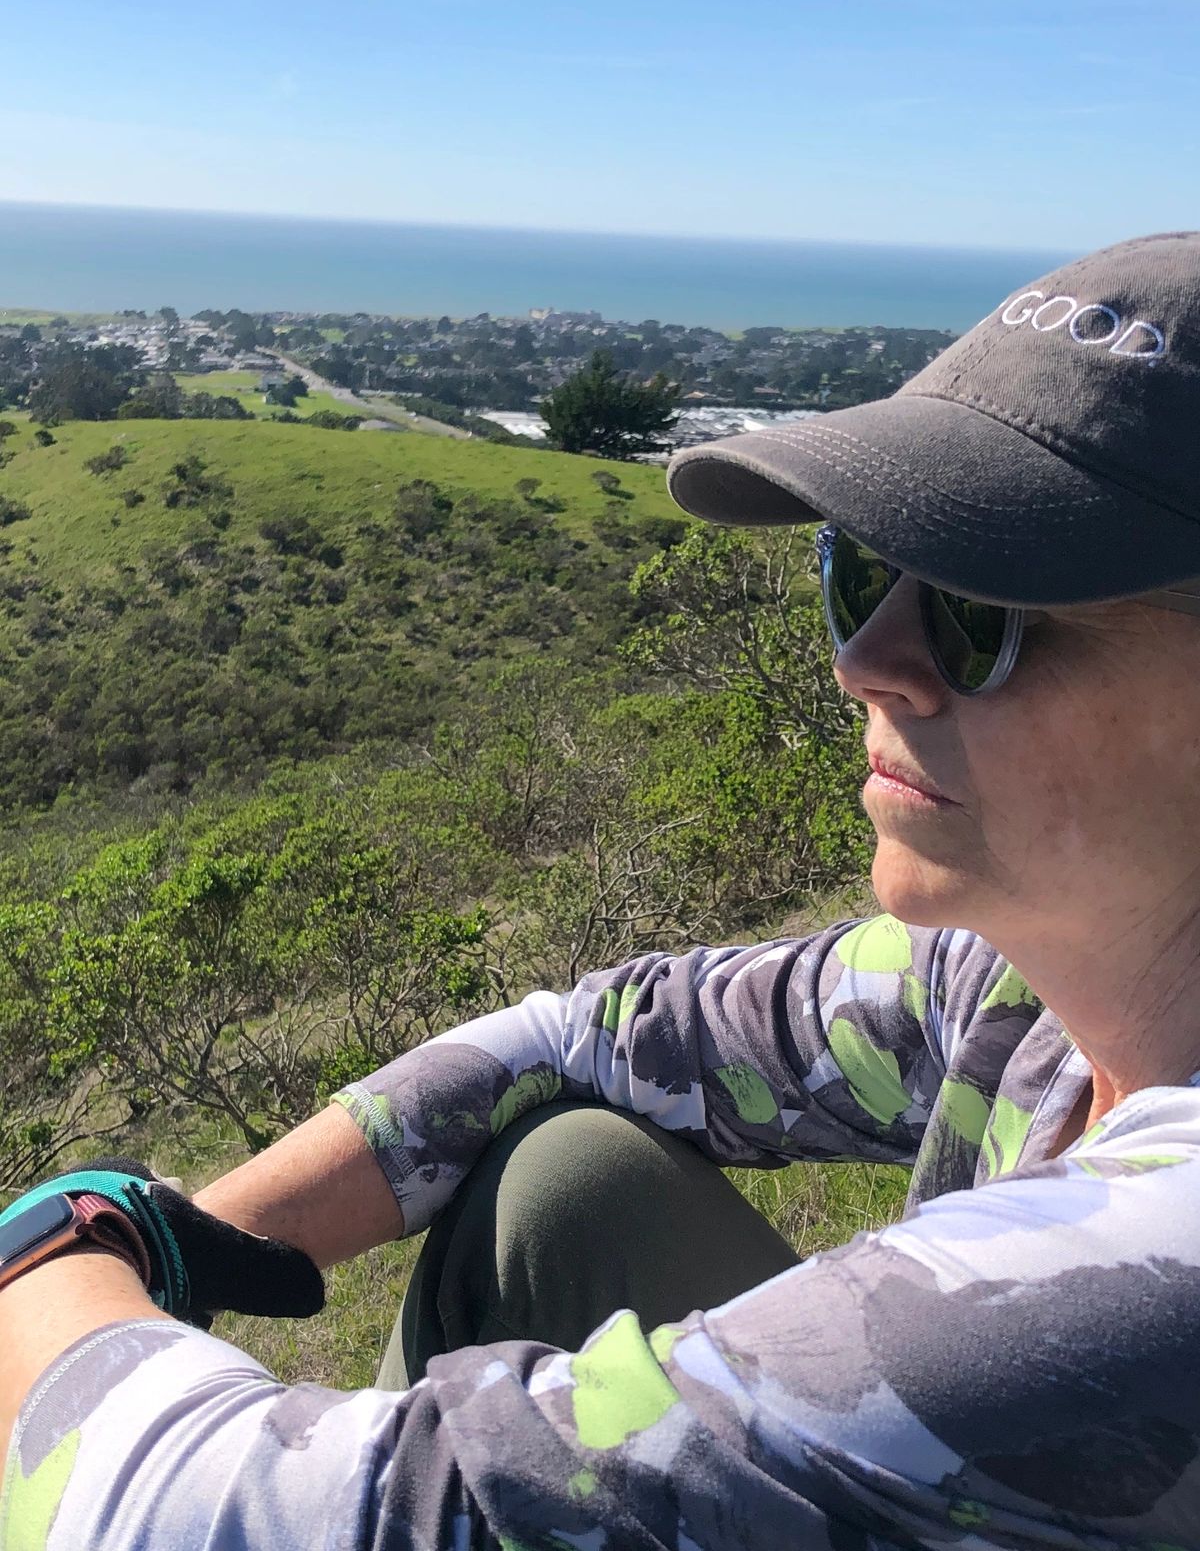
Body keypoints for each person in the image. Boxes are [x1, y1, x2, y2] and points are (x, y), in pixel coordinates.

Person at [4, 230, 1200, 1550]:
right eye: (864, 571)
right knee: (565, 1173)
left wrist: (49, 1262)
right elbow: (614, 1033)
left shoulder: (1150, 1264)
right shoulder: (1022, 993)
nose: (868, 658)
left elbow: (231, 1517)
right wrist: (190, 1237)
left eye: (984, 609)